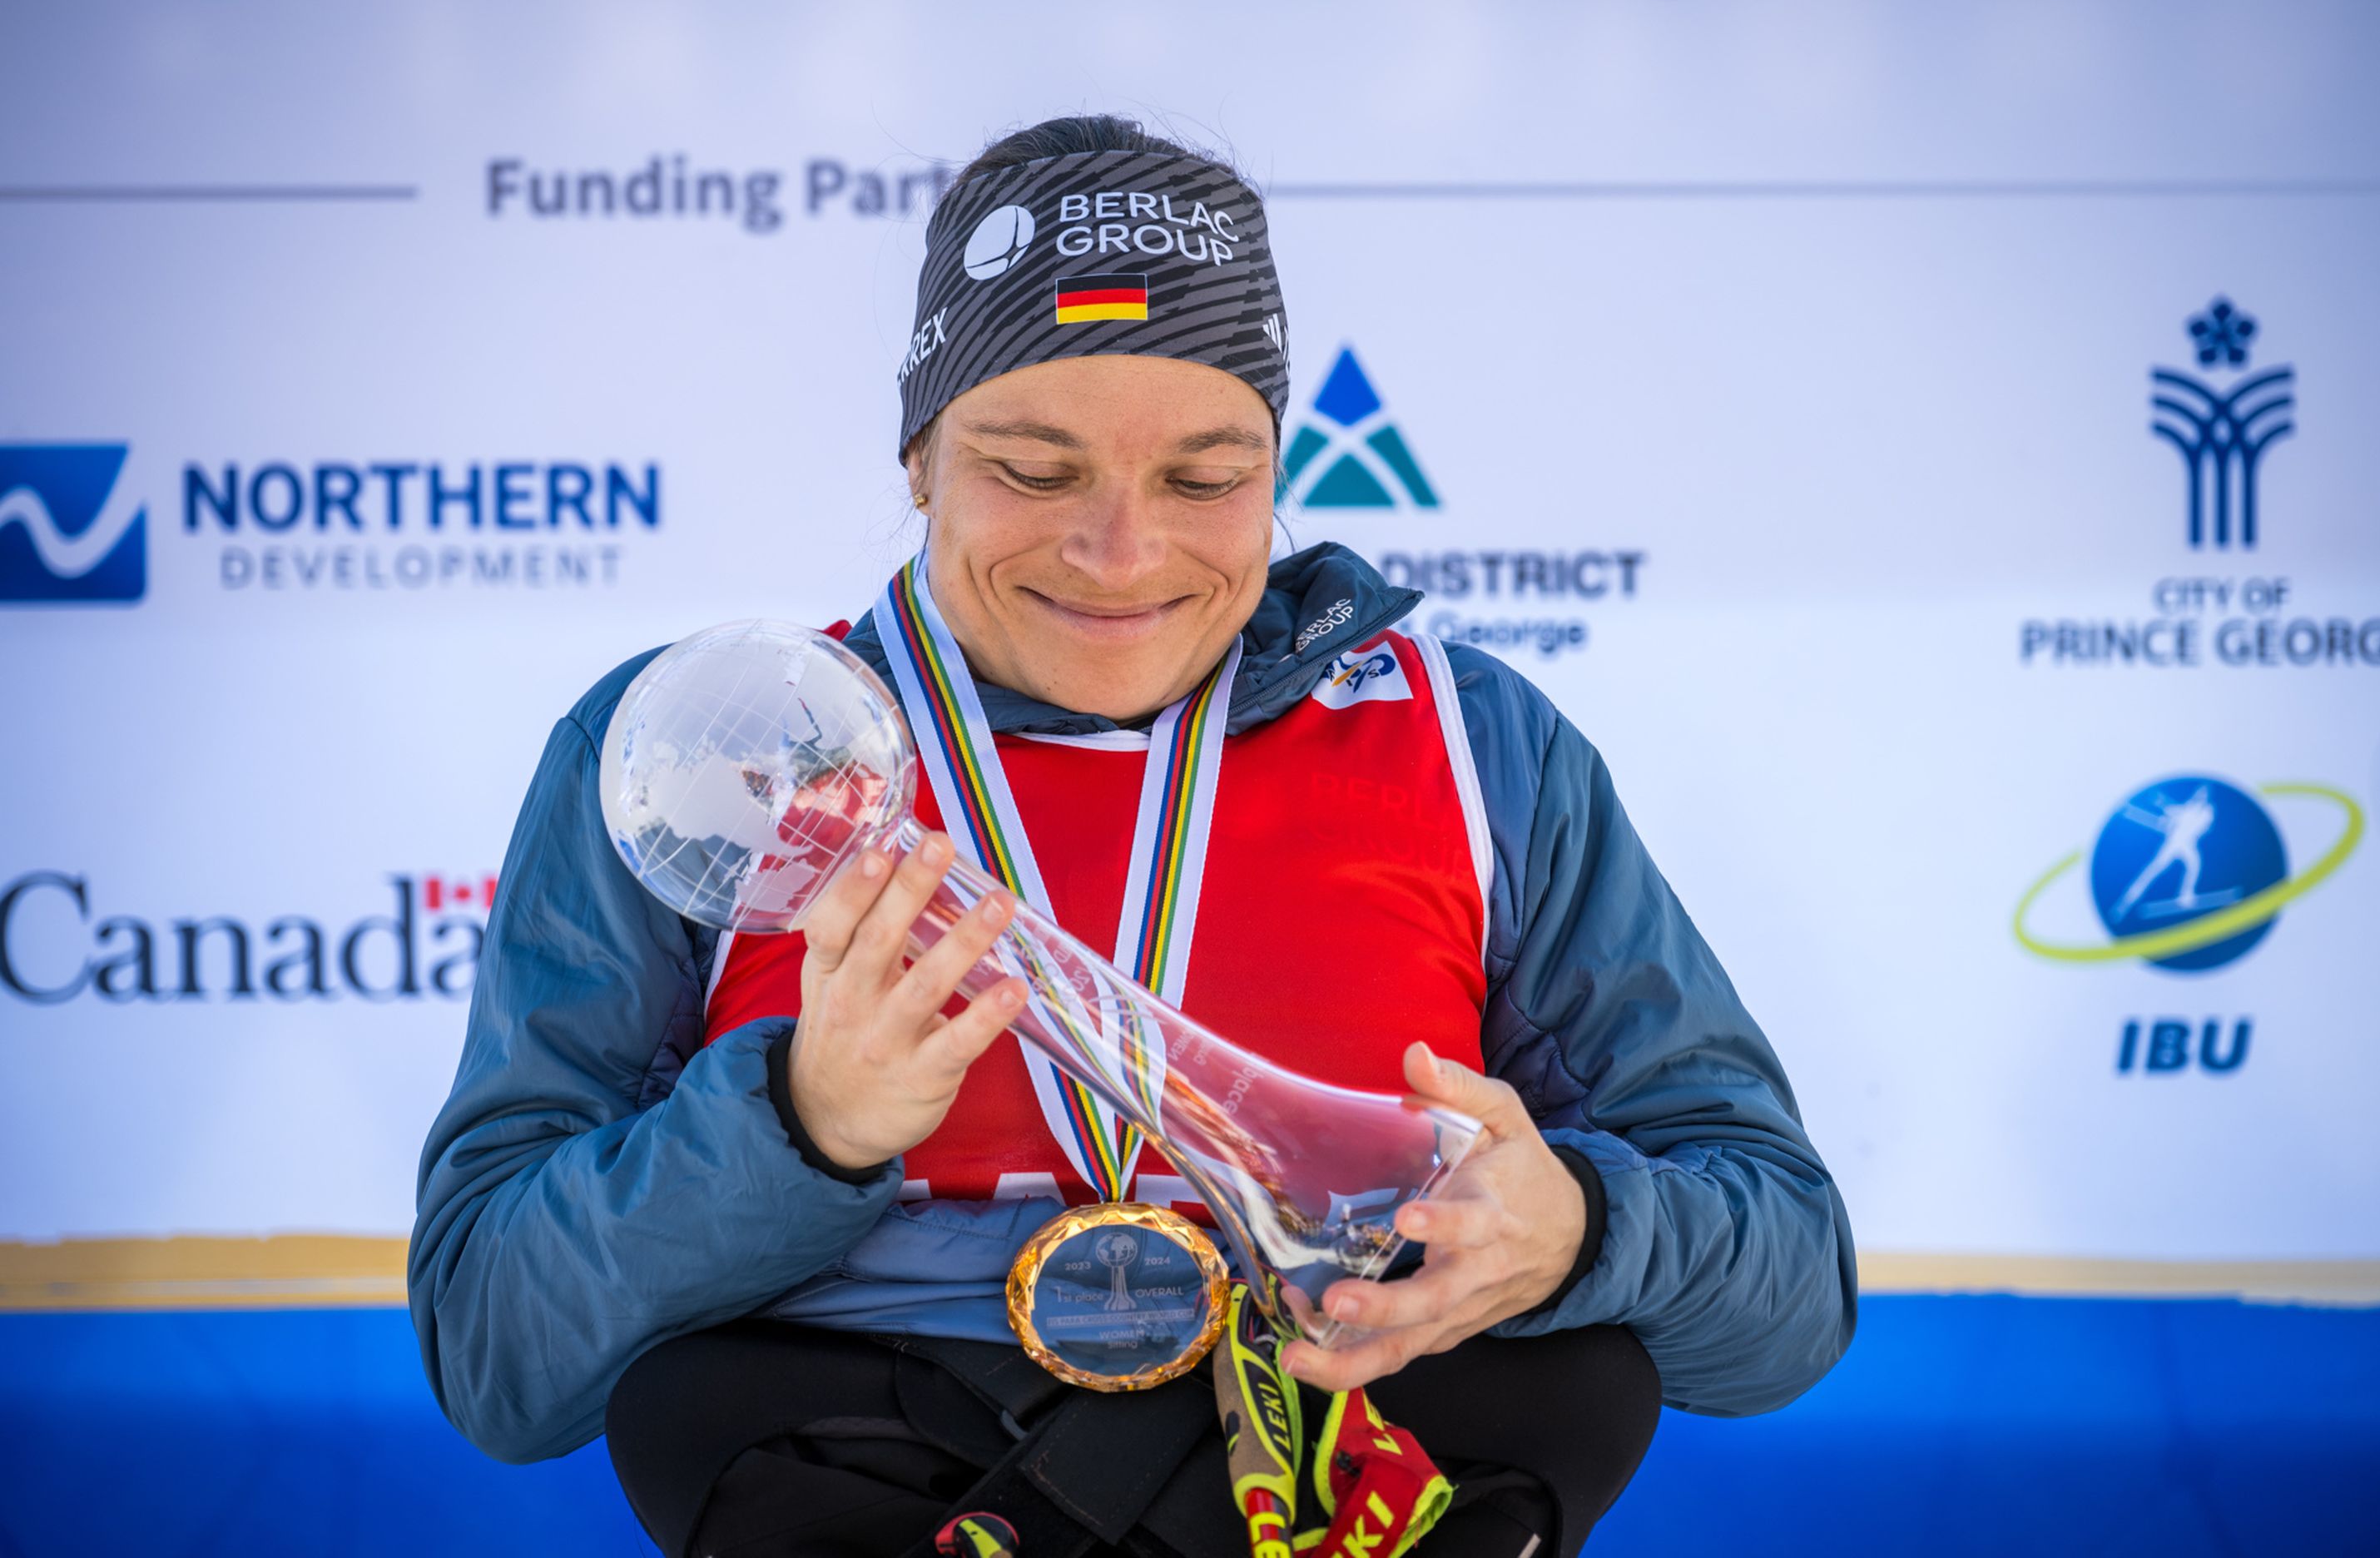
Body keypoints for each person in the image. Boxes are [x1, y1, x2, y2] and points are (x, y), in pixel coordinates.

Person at [409, 115, 1856, 1558]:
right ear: (918, 457)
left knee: (1575, 1373)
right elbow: (499, 1357)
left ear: (1279, 464)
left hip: (1342, 1485)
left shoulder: (1471, 741)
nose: (1123, 553)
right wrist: (801, 1125)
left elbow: (1784, 1301)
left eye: (1205, 478)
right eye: (1035, 473)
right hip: (895, 1491)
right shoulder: (717, 753)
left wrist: (1577, 1235)